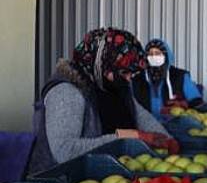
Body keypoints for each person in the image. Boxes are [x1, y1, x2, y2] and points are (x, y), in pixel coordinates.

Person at [28, 28, 179, 174]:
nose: (128, 78)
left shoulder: (112, 85)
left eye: (131, 73)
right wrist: (129, 137)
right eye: (124, 72)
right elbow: (65, 151)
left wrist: (166, 138)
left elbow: (140, 116)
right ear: (103, 65)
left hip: (106, 177)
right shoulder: (67, 92)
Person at [132, 38, 203, 117]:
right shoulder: (137, 79)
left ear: (166, 55)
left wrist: (184, 105)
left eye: (157, 53)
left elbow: (197, 102)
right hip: (145, 126)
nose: (153, 56)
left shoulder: (180, 76)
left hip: (175, 124)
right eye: (150, 54)